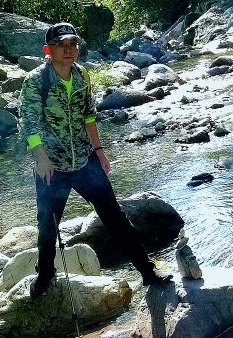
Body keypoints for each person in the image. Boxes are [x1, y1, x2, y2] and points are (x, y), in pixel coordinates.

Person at [20, 22, 170, 293]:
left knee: (115, 217)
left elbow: (89, 116)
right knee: (47, 223)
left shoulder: (82, 76)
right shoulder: (36, 81)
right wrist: (41, 159)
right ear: (48, 49)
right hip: (52, 165)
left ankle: (147, 271)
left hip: (85, 161)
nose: (68, 50)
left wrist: (99, 152)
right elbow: (29, 124)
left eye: (72, 45)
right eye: (62, 45)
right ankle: (45, 273)